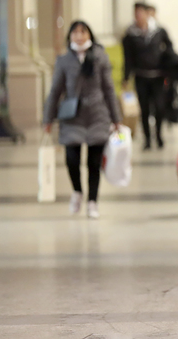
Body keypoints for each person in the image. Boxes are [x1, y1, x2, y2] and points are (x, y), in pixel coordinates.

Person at [43, 20, 121, 219]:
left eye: (83, 32)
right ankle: (77, 191)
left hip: (97, 115)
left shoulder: (100, 58)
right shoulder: (64, 61)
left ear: (89, 35)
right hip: (72, 116)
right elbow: (55, 91)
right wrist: (48, 118)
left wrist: (116, 118)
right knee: (72, 159)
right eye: (75, 32)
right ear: (69, 36)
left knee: (94, 163)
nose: (79, 36)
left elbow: (109, 89)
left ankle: (92, 202)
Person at [122, 2, 173, 150]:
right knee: (144, 109)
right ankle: (147, 139)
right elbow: (128, 57)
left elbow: (169, 51)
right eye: (135, 14)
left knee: (159, 107)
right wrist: (126, 77)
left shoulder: (159, 31)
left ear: (146, 13)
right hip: (141, 76)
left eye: (140, 13)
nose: (138, 17)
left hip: (158, 76)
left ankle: (158, 135)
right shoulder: (130, 34)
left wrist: (170, 71)